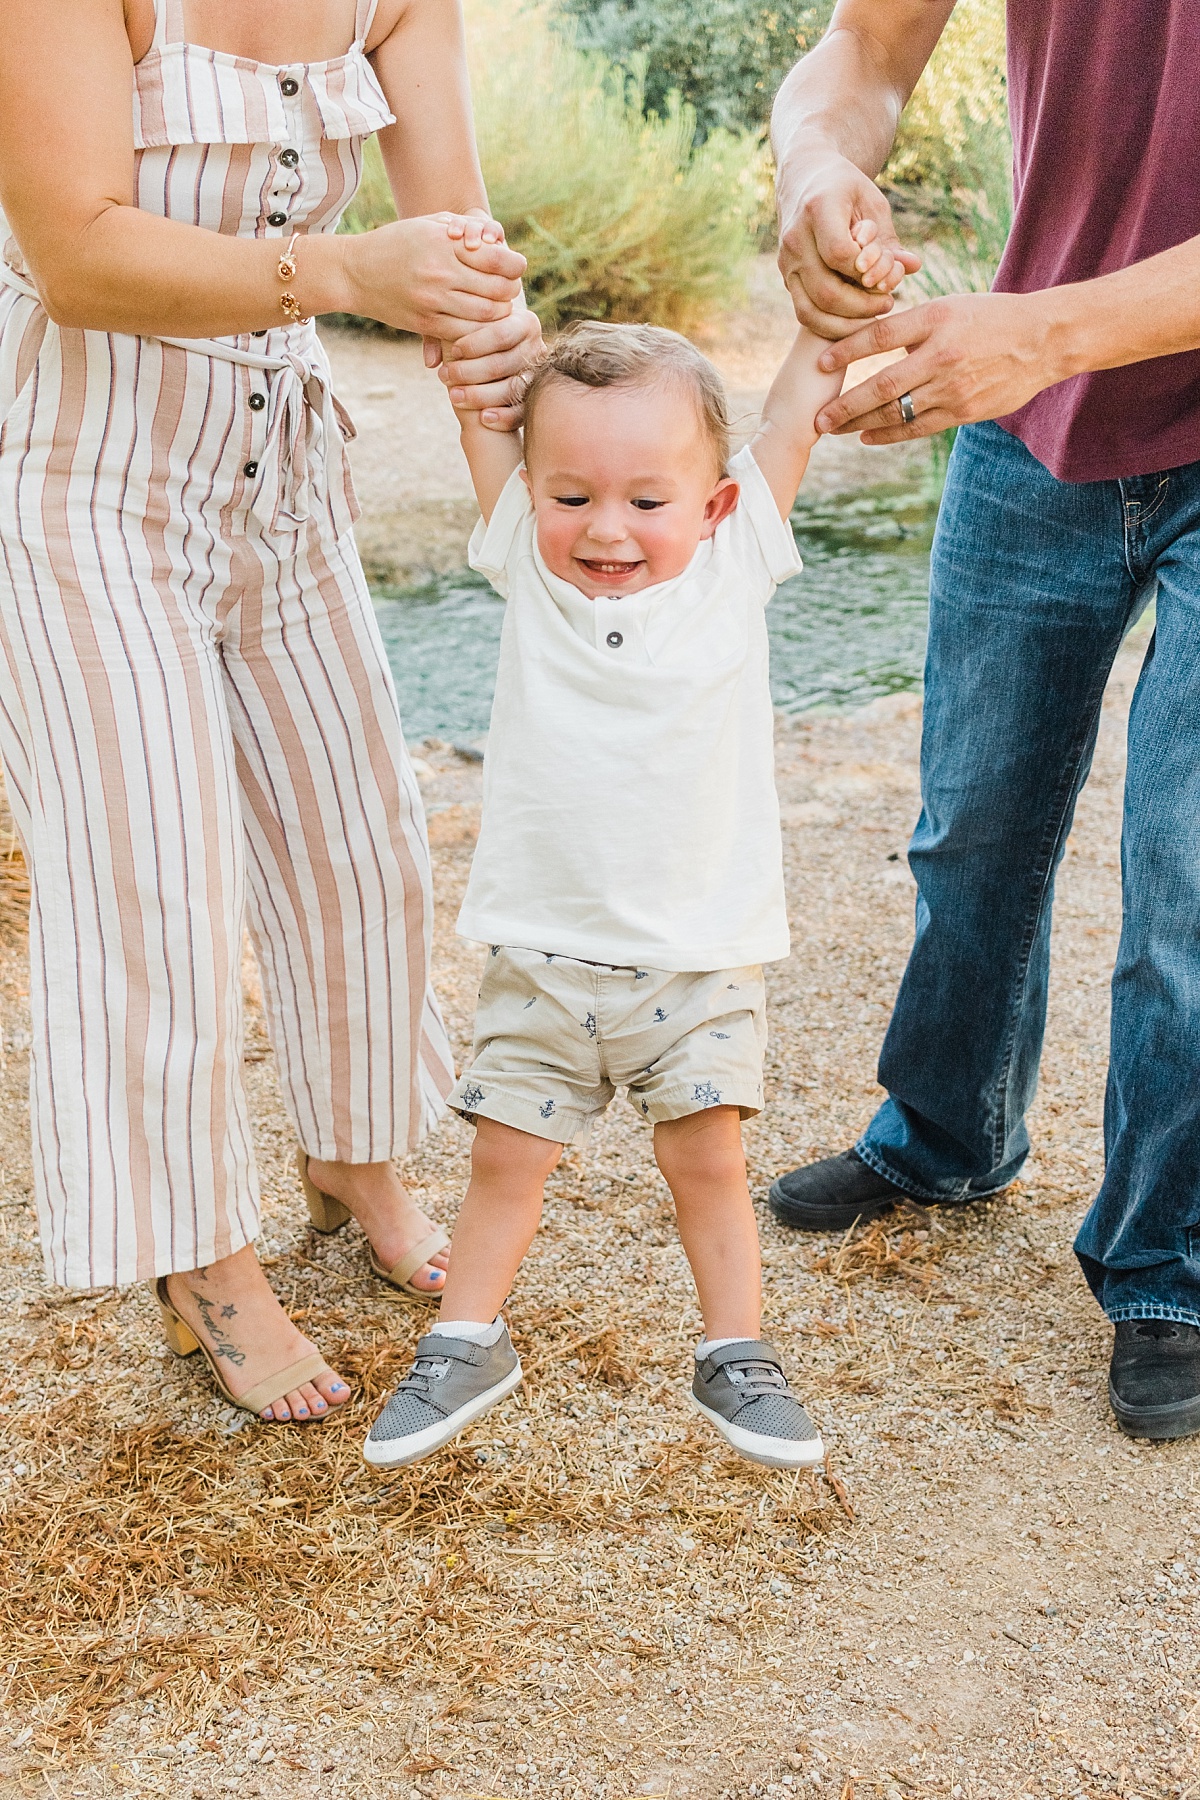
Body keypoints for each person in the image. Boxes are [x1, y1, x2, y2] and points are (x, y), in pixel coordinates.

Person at [0, 0, 540, 1423]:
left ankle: (356, 1154)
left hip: (279, 471)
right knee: (151, 887)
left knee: (361, 839)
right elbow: (75, 254)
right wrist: (353, 269)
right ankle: (201, 1256)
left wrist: (536, 561)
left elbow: (469, 278)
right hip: (76, 476)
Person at [766, 0, 1200, 1440]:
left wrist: (1050, 327)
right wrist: (816, 173)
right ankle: (946, 1138)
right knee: (974, 824)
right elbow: (864, 55)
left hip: (1045, 347)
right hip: (1036, 416)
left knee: (1187, 887)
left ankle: (1168, 1267)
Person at [361, 301, 842, 1472]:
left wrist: (833, 323)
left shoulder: (736, 567)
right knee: (505, 1157)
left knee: (707, 1158)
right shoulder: (528, 561)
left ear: (715, 504)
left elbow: (790, 413)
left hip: (698, 953)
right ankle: (466, 1336)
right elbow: (486, 418)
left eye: (646, 500)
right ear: (535, 499)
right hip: (543, 947)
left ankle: (737, 1350)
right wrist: (456, 333)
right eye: (571, 497)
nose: (605, 529)